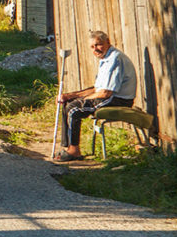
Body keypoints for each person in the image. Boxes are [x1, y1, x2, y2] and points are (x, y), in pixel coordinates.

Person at [55, 30, 136, 162]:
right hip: (108, 96)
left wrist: (82, 99)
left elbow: (106, 92)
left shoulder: (115, 59)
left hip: (119, 100)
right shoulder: (105, 59)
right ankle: (69, 146)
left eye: (98, 45)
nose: (96, 49)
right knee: (68, 103)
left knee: (74, 109)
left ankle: (74, 150)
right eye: (92, 47)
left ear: (108, 42)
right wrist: (70, 95)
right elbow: (96, 88)